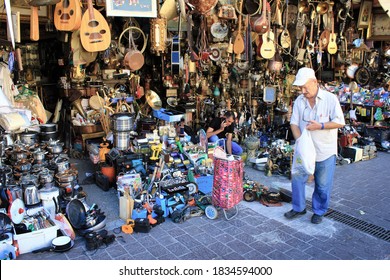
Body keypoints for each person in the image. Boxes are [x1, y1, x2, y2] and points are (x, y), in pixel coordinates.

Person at [284, 67, 345, 224]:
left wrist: (321, 126)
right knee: (297, 178)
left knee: (323, 185)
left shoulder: (330, 99)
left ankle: (319, 210)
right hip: (304, 151)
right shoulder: (299, 101)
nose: (303, 91)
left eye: (305, 87)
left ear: (315, 82)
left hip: (325, 150)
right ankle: (299, 208)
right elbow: (294, 123)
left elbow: (340, 121)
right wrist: (300, 142)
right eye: (300, 87)